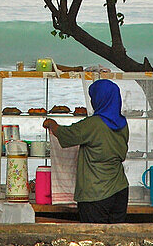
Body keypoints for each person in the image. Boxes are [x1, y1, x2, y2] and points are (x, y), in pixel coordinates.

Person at [43, 78, 129, 223]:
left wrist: (52, 124)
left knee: (93, 238)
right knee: (116, 236)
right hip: (120, 190)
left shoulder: (93, 124)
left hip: (96, 193)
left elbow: (67, 134)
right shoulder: (123, 123)